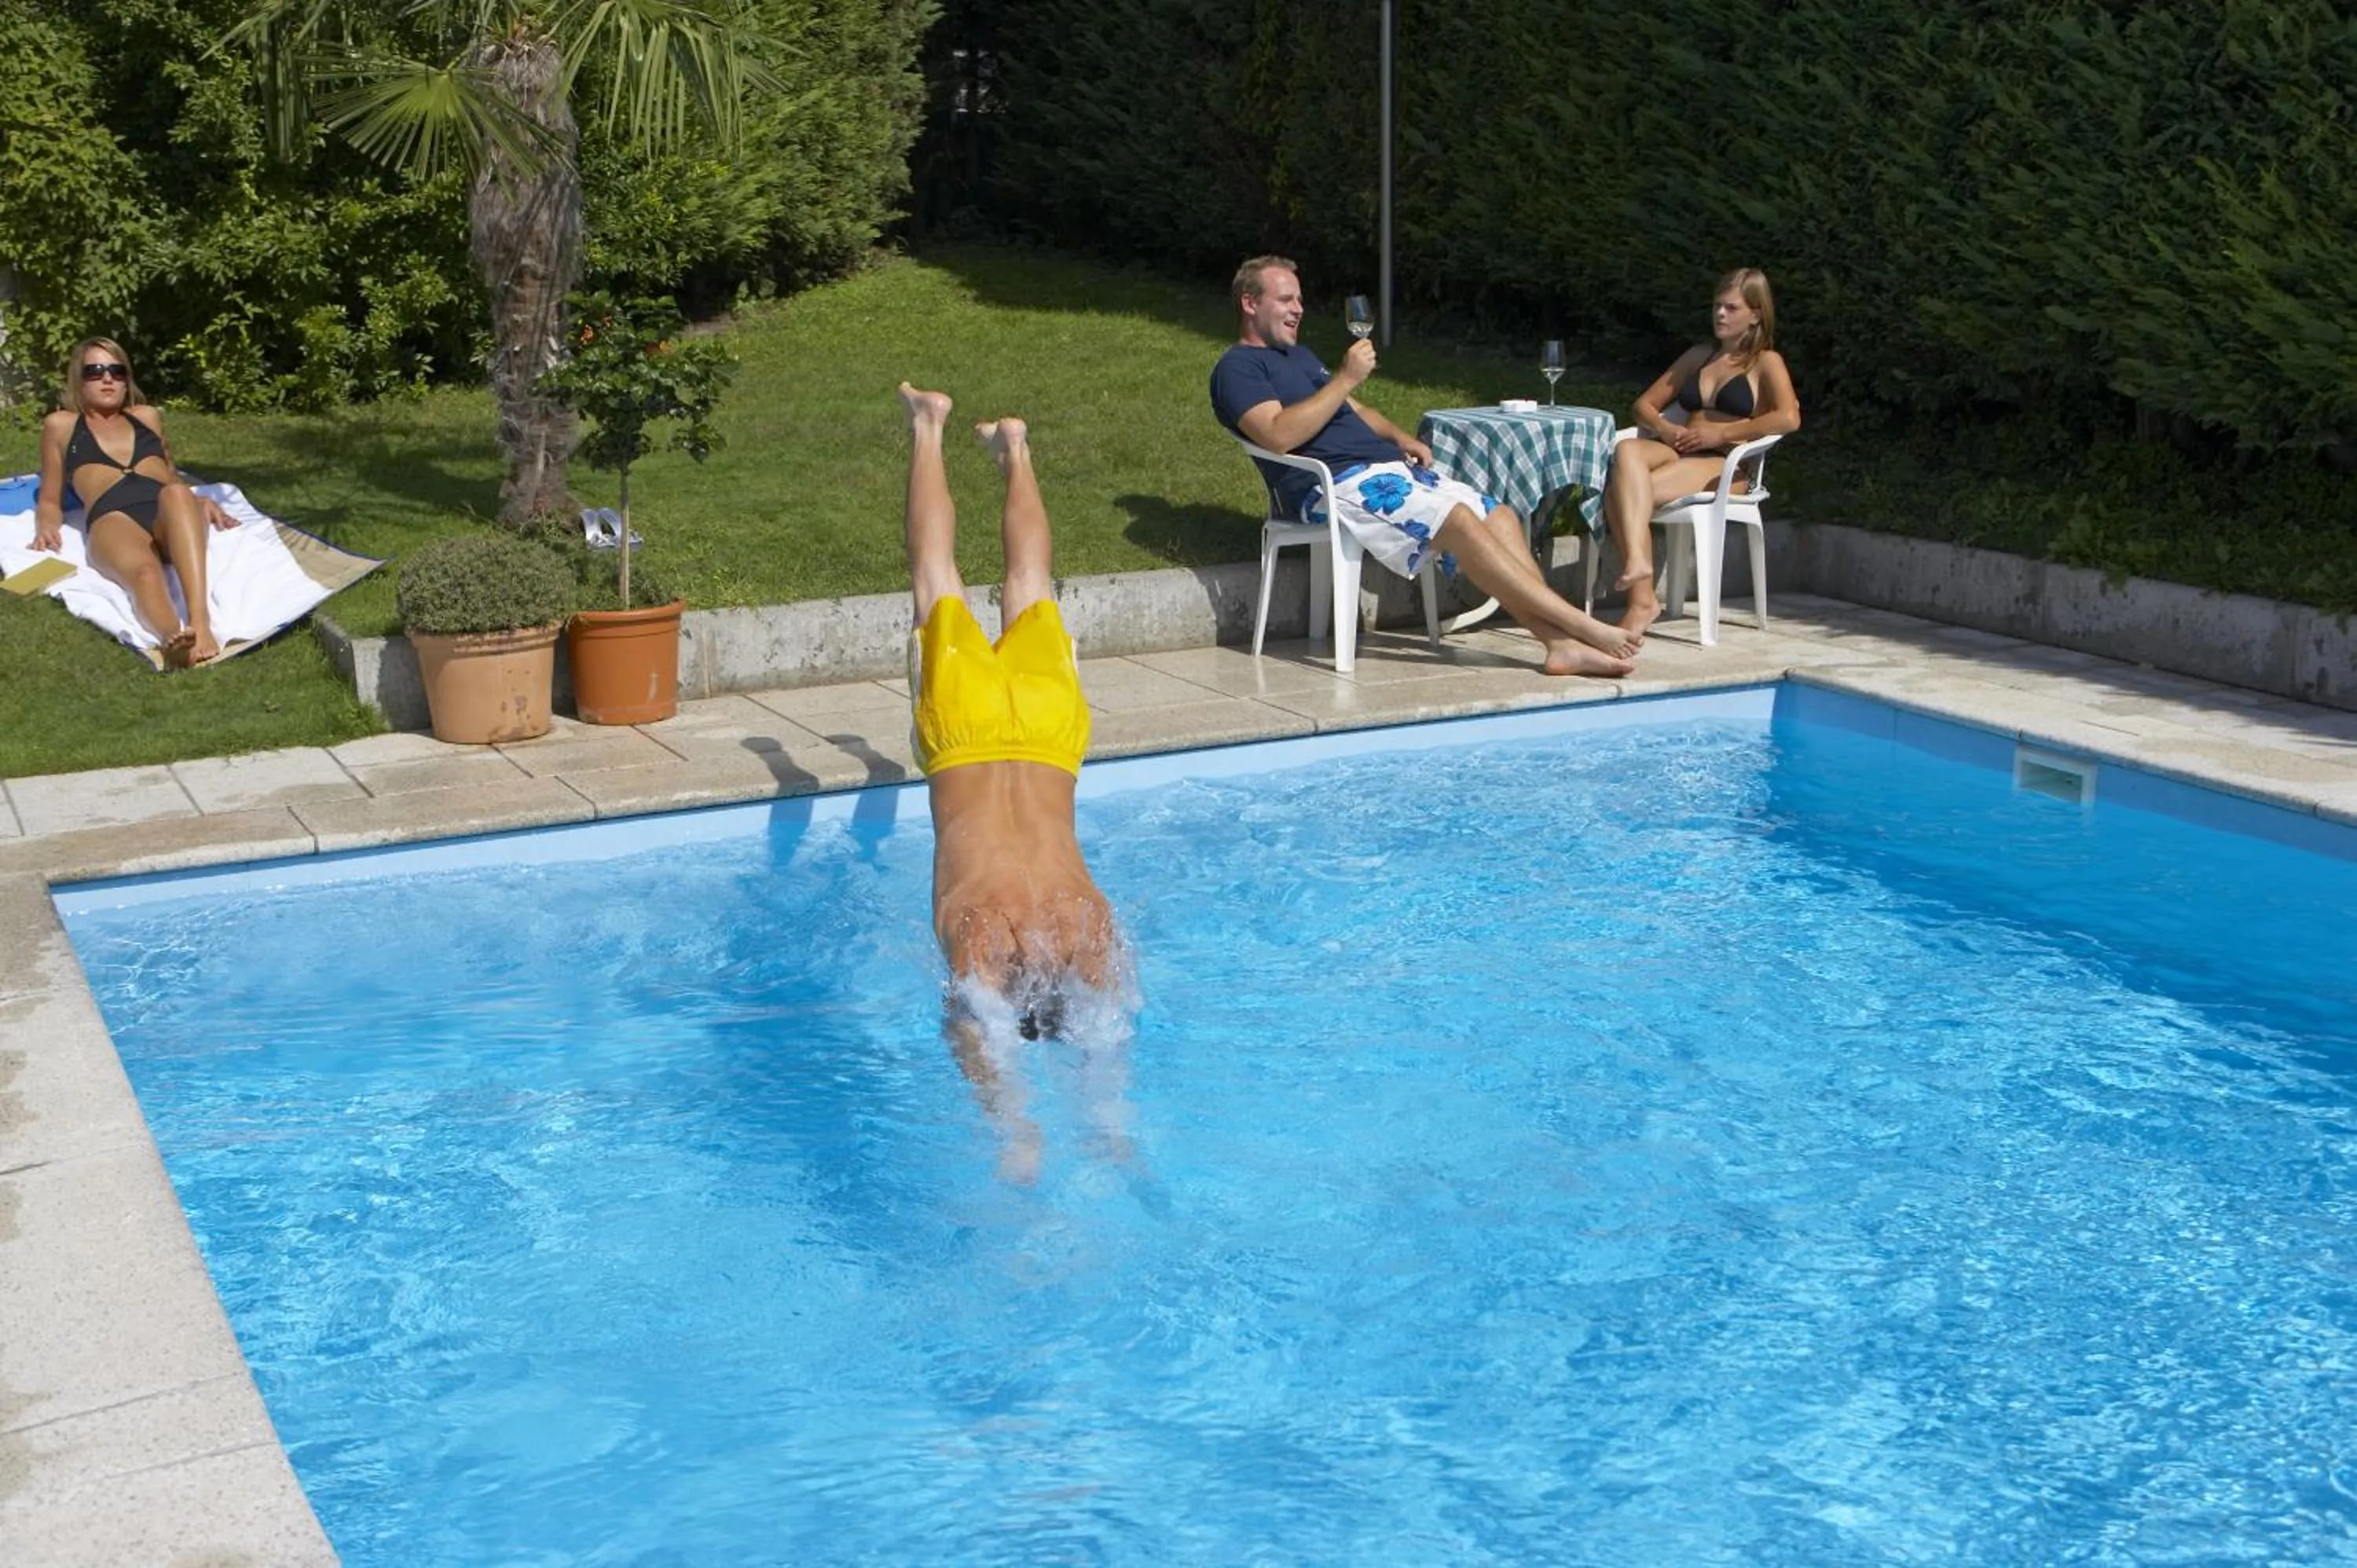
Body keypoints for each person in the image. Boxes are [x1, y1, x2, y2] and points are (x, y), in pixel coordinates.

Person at [899, 382, 1131, 1180]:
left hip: (1046, 736)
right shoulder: (985, 936)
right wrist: (1014, 1124)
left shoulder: (1084, 930)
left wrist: (1098, 1113)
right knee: (938, 579)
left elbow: (1104, 1034)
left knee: (1031, 578)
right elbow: (975, 1028)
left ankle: (1015, 447)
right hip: (963, 742)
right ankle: (929, 426)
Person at [1210, 255, 1637, 678]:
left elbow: (1354, 410)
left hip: (1389, 472)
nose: (1299, 308)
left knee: (1500, 516)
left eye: (1299, 299)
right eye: (1286, 299)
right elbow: (1277, 435)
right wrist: (1344, 378)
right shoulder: (1237, 369)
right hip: (1332, 485)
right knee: (1459, 521)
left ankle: (1560, 646)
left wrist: (1400, 437)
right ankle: (1579, 627)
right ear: (1250, 303)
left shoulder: (1299, 357)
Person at [1602, 268, 1802, 639]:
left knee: (1621, 492)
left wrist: (1722, 431)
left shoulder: (1765, 362)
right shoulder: (1699, 356)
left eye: (1731, 308)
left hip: (1724, 464)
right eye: (1716, 306)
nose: (1720, 315)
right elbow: (1644, 405)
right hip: (1678, 451)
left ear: (1756, 314)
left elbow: (1789, 417)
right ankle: (1641, 576)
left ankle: (1640, 598)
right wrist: (1667, 428)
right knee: (1628, 450)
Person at [31, 337, 237, 667]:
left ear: (127, 378)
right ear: (77, 379)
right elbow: (50, 497)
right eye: (95, 371)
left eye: (117, 370)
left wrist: (199, 502)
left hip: (166, 511)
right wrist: (46, 524)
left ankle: (200, 622)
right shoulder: (61, 426)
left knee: (175, 493)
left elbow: (172, 478)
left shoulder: (147, 417)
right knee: (144, 573)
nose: (108, 378)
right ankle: (174, 639)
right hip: (113, 519)